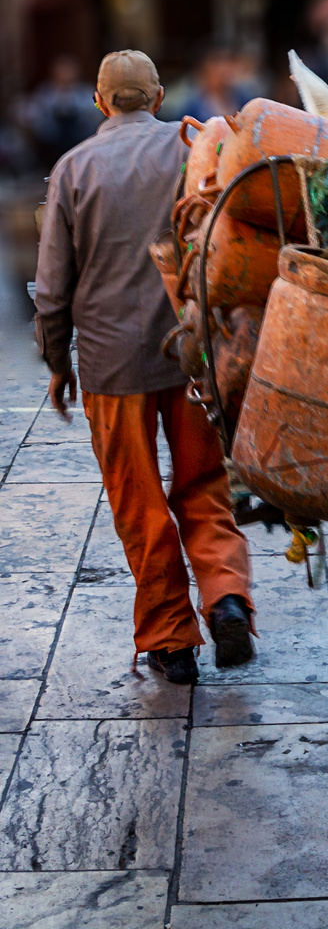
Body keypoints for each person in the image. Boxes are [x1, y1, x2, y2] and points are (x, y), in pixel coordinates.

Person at [33, 50, 255, 685]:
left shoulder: (73, 169)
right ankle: (227, 597)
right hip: (191, 352)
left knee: (141, 502)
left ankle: (171, 639)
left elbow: (51, 290)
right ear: (158, 98)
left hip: (111, 367)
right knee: (204, 488)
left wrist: (56, 361)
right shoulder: (194, 151)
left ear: (100, 103)